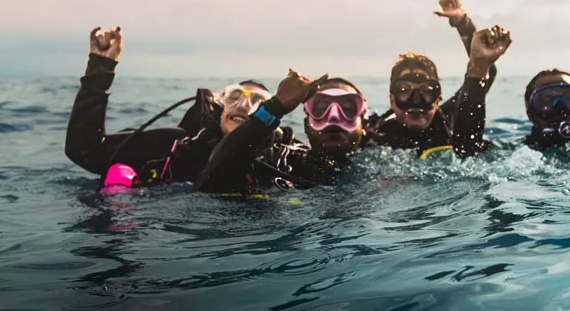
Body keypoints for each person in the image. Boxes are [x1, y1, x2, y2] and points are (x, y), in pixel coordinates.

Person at [65, 26, 276, 189]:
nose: (242, 105)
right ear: (221, 107)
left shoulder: (279, 160)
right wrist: (99, 70)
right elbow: (86, 152)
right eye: (234, 96)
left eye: (257, 101)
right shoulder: (177, 144)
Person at [195, 74, 380, 194]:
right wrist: (274, 108)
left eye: (348, 108)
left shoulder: (384, 163)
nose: (333, 117)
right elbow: (209, 186)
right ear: (307, 124)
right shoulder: (284, 162)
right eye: (320, 108)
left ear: (363, 121)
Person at [367, 25, 511, 158]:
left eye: (426, 91)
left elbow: (485, 74)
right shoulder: (375, 138)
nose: (416, 101)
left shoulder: (448, 118)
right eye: (404, 91)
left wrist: (463, 24)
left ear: (437, 99)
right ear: (392, 100)